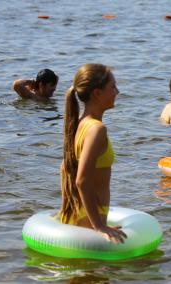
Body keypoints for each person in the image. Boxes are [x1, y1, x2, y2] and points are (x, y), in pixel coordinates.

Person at [59, 63, 126, 244]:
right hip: (89, 217)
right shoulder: (97, 129)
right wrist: (98, 226)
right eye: (113, 87)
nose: (117, 92)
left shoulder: (79, 123)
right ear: (97, 93)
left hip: (79, 211)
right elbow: (82, 179)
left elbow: (65, 168)